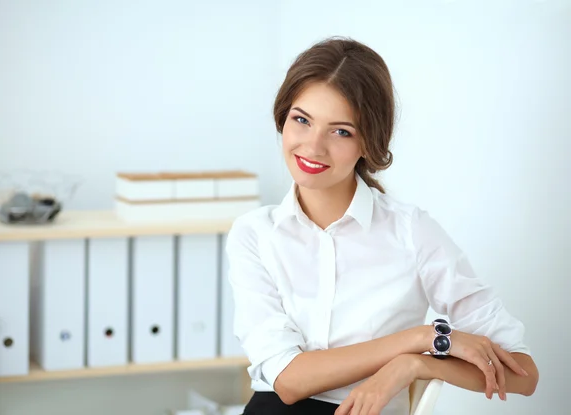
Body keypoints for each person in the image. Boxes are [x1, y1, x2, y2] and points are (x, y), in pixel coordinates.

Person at [225, 37, 539, 415]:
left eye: (341, 131)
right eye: (302, 120)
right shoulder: (254, 234)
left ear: (368, 142)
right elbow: (288, 382)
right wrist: (420, 338)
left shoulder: (412, 232)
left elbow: (524, 374)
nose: (313, 146)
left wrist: (417, 363)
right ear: (283, 118)